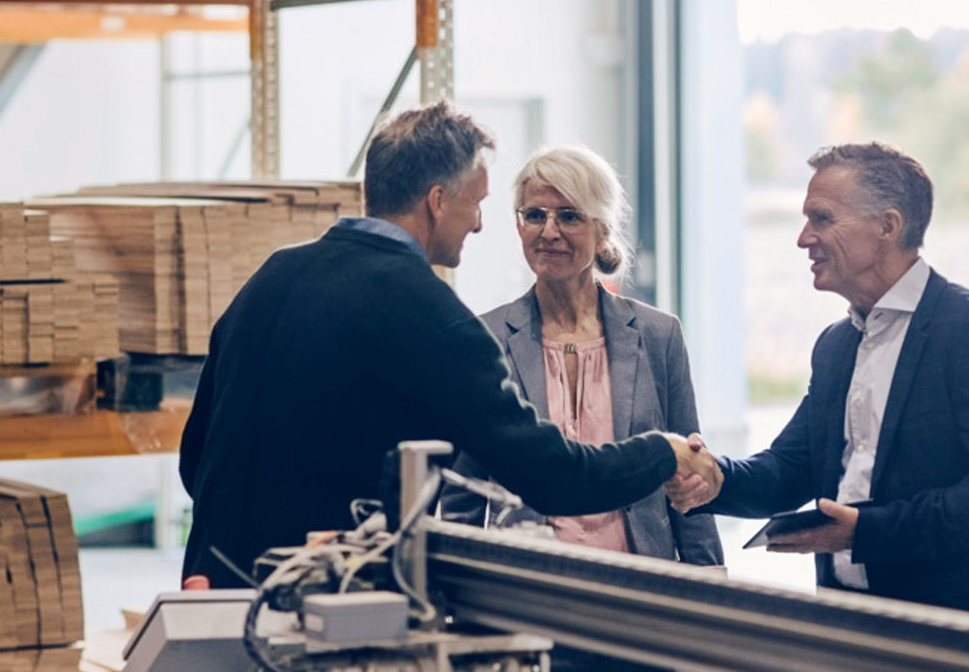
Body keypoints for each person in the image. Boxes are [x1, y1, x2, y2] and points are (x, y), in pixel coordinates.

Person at [179, 102, 722, 588]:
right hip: (327, 605)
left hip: (220, 592)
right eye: (477, 202)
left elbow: (195, 456)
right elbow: (552, 476)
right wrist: (661, 451)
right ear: (437, 201)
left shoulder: (273, 276)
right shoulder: (430, 315)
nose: (481, 223)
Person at [674, 142, 969, 620]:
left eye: (822, 219)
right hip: (848, 628)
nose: (803, 239)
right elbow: (792, 468)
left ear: (887, 226)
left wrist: (867, 532)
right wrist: (714, 478)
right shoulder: (835, 344)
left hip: (957, 634)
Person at [441, 145, 723, 566]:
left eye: (569, 216)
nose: (548, 231)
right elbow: (463, 492)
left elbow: (691, 481)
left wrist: (712, 590)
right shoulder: (486, 338)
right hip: (530, 584)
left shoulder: (657, 335)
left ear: (603, 229)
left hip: (642, 580)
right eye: (535, 215)